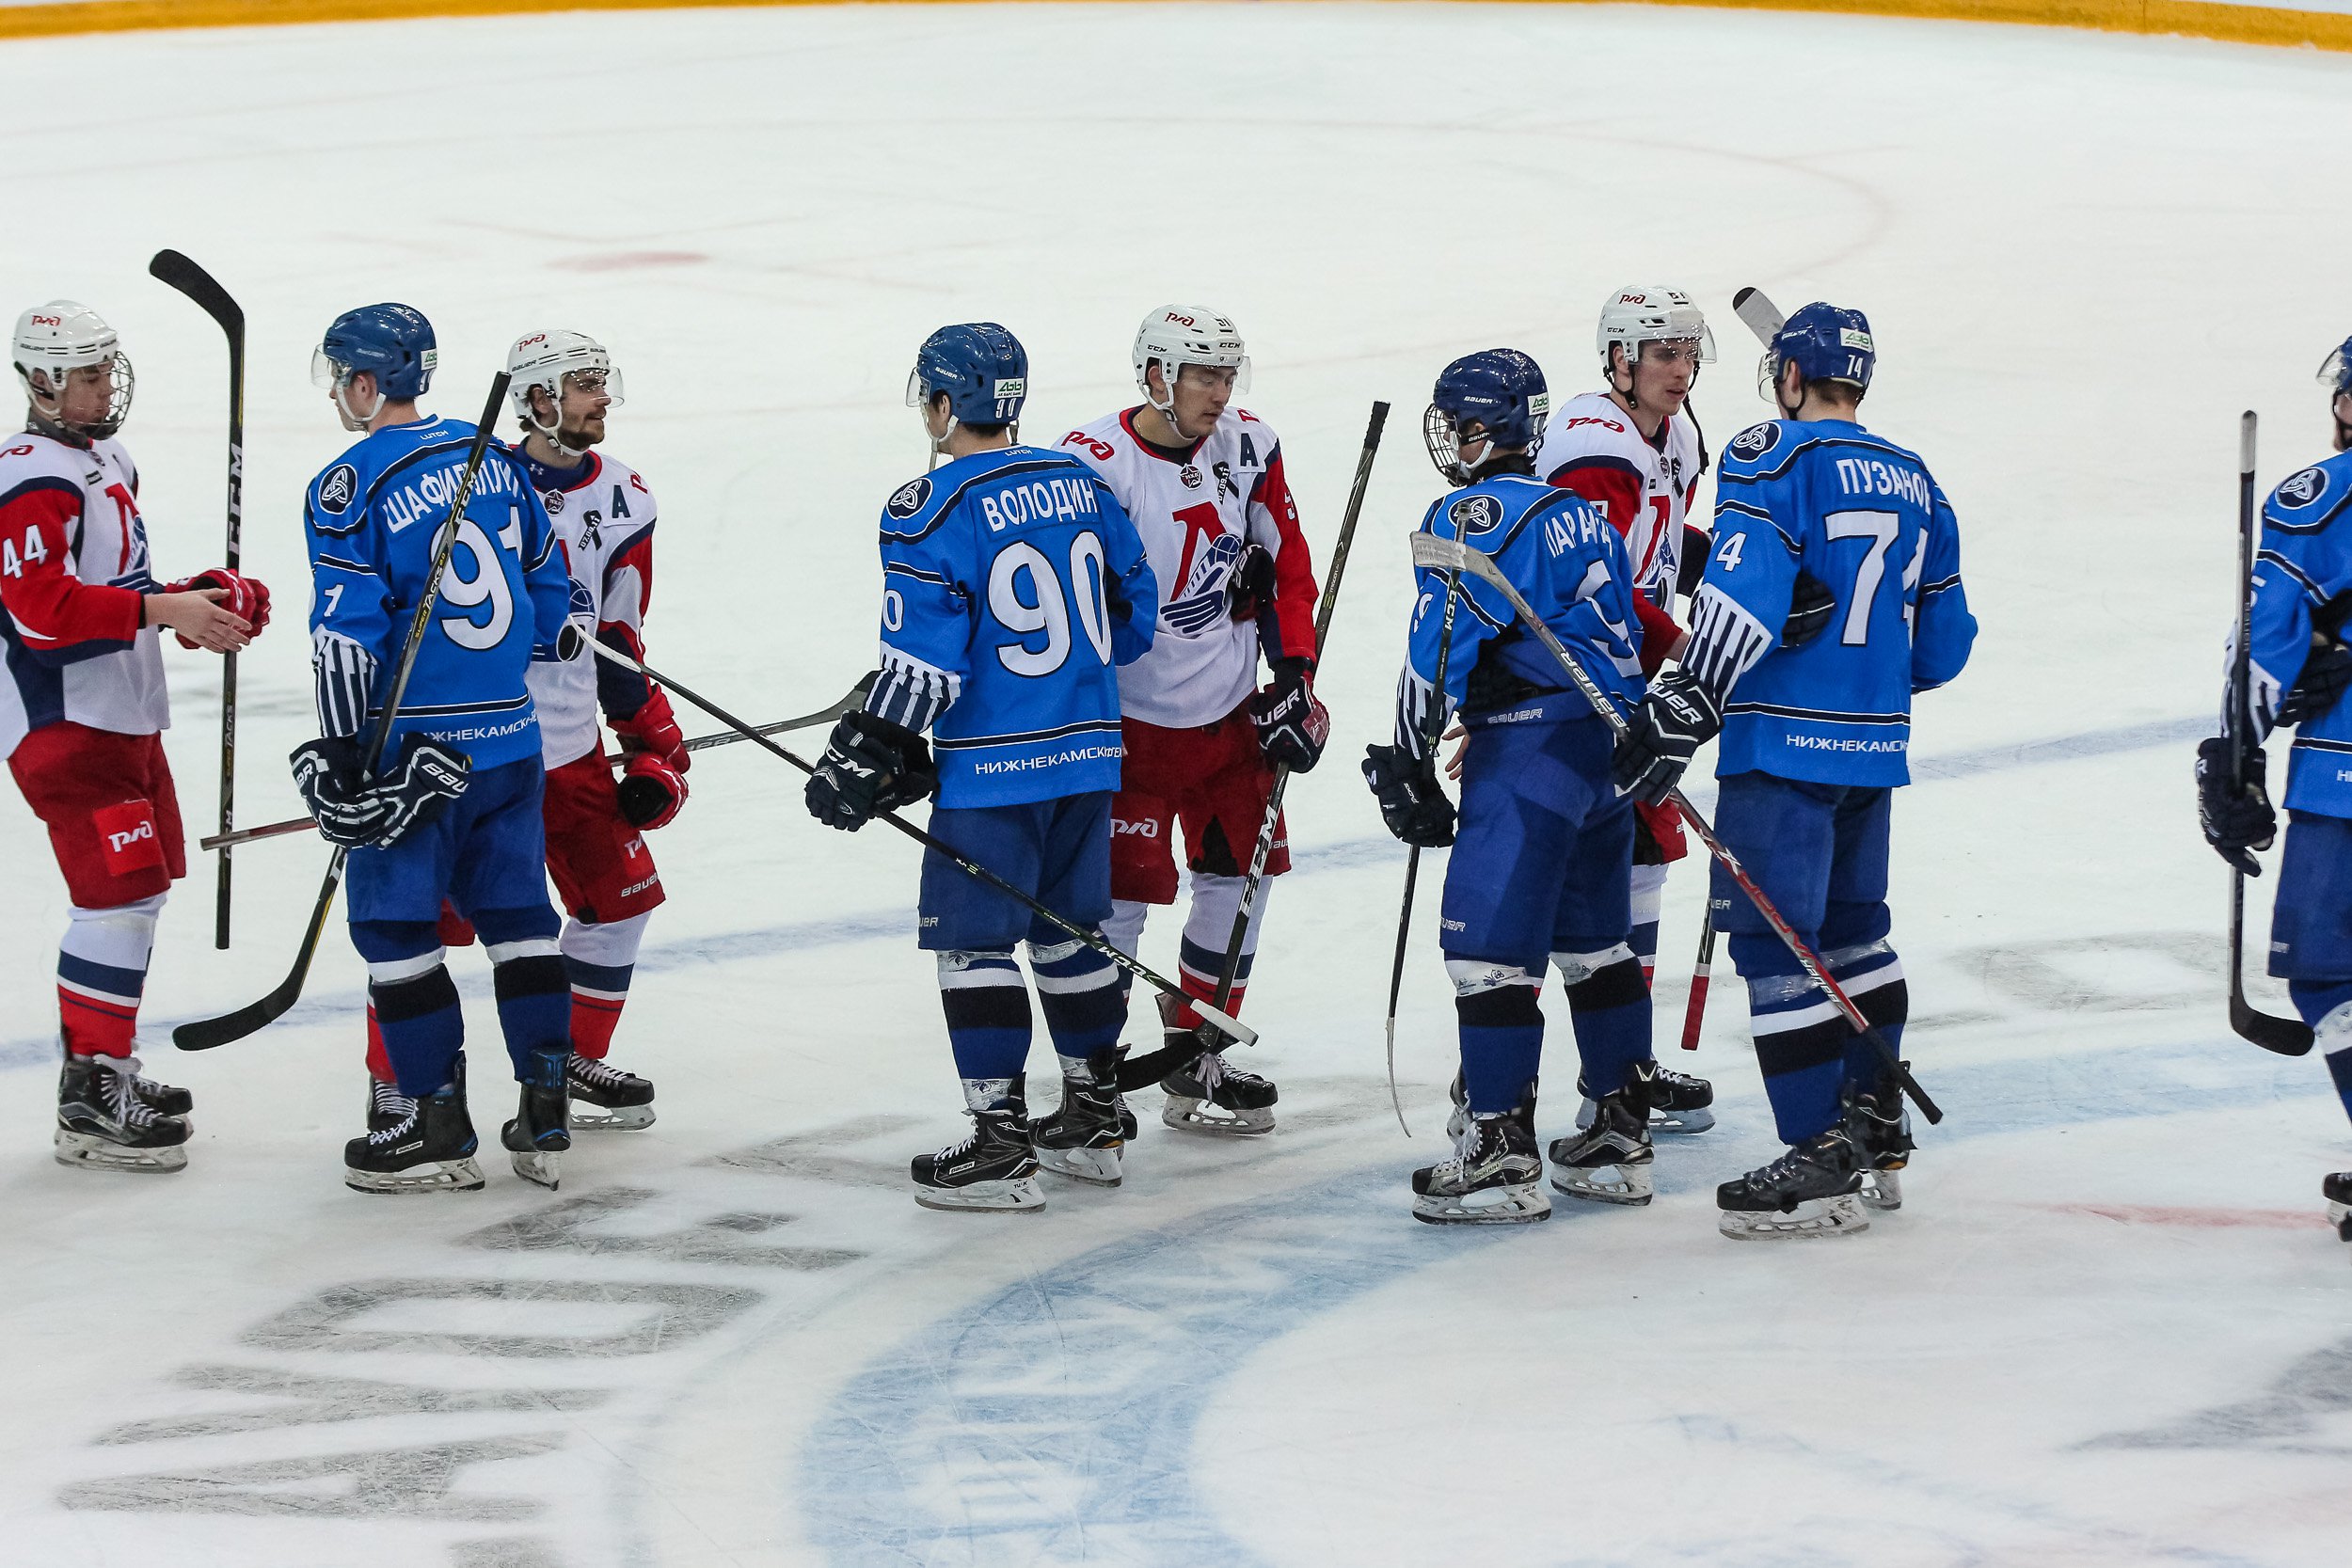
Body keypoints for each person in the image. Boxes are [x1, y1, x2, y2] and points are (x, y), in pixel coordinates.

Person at [1613, 302, 1976, 1240]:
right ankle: (1875, 1123)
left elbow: (1744, 591)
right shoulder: (1918, 478)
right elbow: (1944, 646)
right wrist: (1865, 671)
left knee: (1778, 949)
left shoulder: (1770, 453)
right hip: (1873, 747)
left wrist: (1687, 699)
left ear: (1788, 377)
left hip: (1780, 748)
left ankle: (1817, 1152)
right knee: (1856, 935)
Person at [805, 323, 1156, 1210]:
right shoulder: (1080, 479)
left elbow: (926, 667)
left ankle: (1000, 1143)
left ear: (942, 403)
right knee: (1071, 933)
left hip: (996, 769)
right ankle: (1094, 1119)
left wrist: (875, 745)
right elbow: (1136, 612)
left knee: (975, 943)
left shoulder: (927, 507)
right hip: (1091, 752)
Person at [356, 330, 683, 1134]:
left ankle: (562, 1065)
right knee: (423, 924)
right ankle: (397, 1082)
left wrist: (650, 741)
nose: (601, 398)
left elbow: (619, 635)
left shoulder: (627, 496)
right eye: (582, 384)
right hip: (474, 745)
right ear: (537, 398)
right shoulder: (475, 477)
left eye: (602, 381)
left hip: (566, 749)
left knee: (620, 901)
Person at [1363, 348, 1657, 1225]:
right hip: (1608, 756)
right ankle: (1618, 1133)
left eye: (1456, 424)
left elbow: (1439, 645)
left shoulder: (1474, 512)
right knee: (1596, 947)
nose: (1449, 439)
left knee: (1486, 952)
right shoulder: (1581, 515)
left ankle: (1499, 1151)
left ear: (1483, 428)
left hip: (1529, 758)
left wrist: (1410, 756)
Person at [296, 303, 580, 1194]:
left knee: (393, 928)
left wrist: (346, 752)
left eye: (340, 377)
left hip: (415, 754)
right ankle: (545, 1106)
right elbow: (549, 587)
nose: (337, 393)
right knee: (520, 917)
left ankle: (434, 1122)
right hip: (512, 741)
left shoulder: (347, 484)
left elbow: (346, 637)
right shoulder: (489, 455)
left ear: (365, 382)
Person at [1, 300, 268, 1173]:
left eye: (107, 369)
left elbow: (117, 586)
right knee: (113, 899)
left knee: (138, 893)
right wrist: (164, 610)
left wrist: (199, 604)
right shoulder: (27, 478)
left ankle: (108, 1067)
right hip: (61, 717)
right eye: (87, 374)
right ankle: (89, 1097)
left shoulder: (106, 458)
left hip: (121, 708)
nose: (106, 387)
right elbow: (42, 613)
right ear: (42, 382)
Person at [1058, 305, 1324, 1139]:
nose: (1221, 391)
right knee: (1118, 902)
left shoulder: (1249, 444)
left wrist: (1294, 676)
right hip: (1128, 726)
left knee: (1242, 882)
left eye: (1227, 374)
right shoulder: (1091, 463)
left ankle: (1196, 1051)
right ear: (1155, 377)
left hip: (1228, 718)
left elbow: (1287, 565)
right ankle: (1092, 1080)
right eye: (1203, 374)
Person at [1535, 284, 1722, 1134]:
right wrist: (1693, 645)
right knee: (1548, 885)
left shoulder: (1676, 435)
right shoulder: (1593, 447)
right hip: (1571, 681)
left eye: (1687, 353)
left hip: (1628, 678)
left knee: (1644, 858)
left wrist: (1737, 569)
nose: (1679, 370)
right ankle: (1496, 1082)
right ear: (1620, 359)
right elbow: (1594, 582)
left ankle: (1622, 1067)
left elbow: (1662, 541)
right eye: (1662, 354)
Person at [2196, 330, 2352, 1251]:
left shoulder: (2322, 496)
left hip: (2344, 773)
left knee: (2327, 965)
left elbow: (2264, 641)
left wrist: (2235, 753)